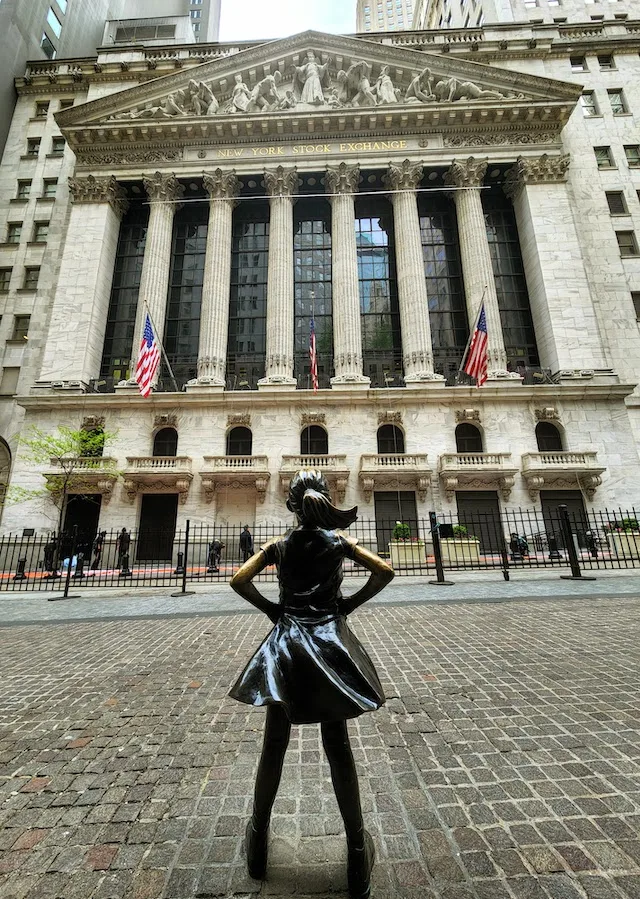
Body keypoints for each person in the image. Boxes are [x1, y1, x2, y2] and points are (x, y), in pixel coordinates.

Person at [229, 470, 394, 898]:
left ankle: (257, 842)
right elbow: (384, 571)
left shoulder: (280, 545)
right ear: (323, 500)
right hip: (327, 643)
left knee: (273, 747)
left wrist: (272, 610)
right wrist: (347, 606)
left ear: (292, 505)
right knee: (338, 746)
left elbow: (238, 580)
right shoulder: (338, 543)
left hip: (286, 645)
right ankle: (357, 851)